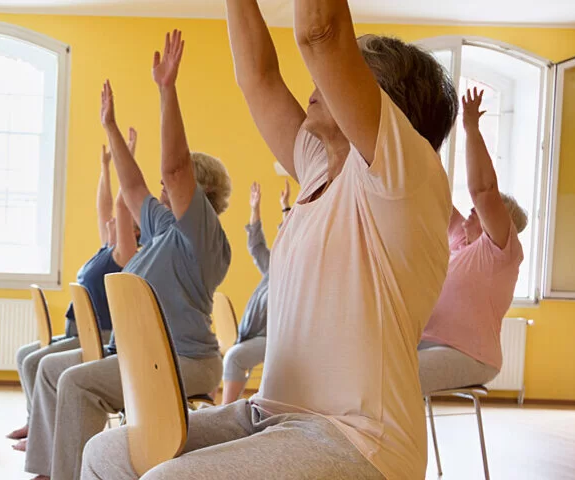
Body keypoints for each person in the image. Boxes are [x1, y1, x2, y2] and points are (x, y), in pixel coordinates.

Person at [81, 0, 457, 476]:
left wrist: (330, 48)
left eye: (346, 71)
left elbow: (322, 32)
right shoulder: (320, 166)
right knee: (107, 453)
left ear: (384, 102)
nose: (316, 83)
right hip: (271, 414)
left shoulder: (405, 177)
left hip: (360, 440)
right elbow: (258, 76)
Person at [26, 30, 232, 480]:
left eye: (172, 190)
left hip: (186, 362)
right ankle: (48, 470)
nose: (160, 192)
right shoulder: (162, 229)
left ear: (199, 194)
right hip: (144, 356)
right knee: (61, 375)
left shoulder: (203, 235)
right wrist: (111, 129)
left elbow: (173, 169)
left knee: (76, 382)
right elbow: (135, 187)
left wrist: (167, 90)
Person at [11, 132, 142, 450]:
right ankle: (36, 426)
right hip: (79, 333)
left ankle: (42, 436)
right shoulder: (106, 249)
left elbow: (123, 202)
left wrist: (129, 158)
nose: (111, 218)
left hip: (97, 337)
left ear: (133, 230)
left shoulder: (125, 255)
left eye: (121, 220)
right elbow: (104, 206)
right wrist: (105, 167)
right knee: (26, 357)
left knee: (35, 363)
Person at [419, 88, 528, 393]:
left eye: (481, 212)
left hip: (469, 356)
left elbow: (483, 190)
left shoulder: (499, 253)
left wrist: (471, 128)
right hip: (426, 344)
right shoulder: (458, 243)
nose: (471, 210)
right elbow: (433, 188)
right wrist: (429, 137)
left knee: (391, 380)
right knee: (361, 362)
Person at [219, 180, 289, 405]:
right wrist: (254, 209)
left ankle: (225, 411)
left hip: (277, 340)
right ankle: (210, 408)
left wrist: (286, 208)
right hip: (255, 336)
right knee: (224, 355)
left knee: (234, 357)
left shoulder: (296, 274)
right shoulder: (272, 267)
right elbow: (256, 245)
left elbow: (292, 233)